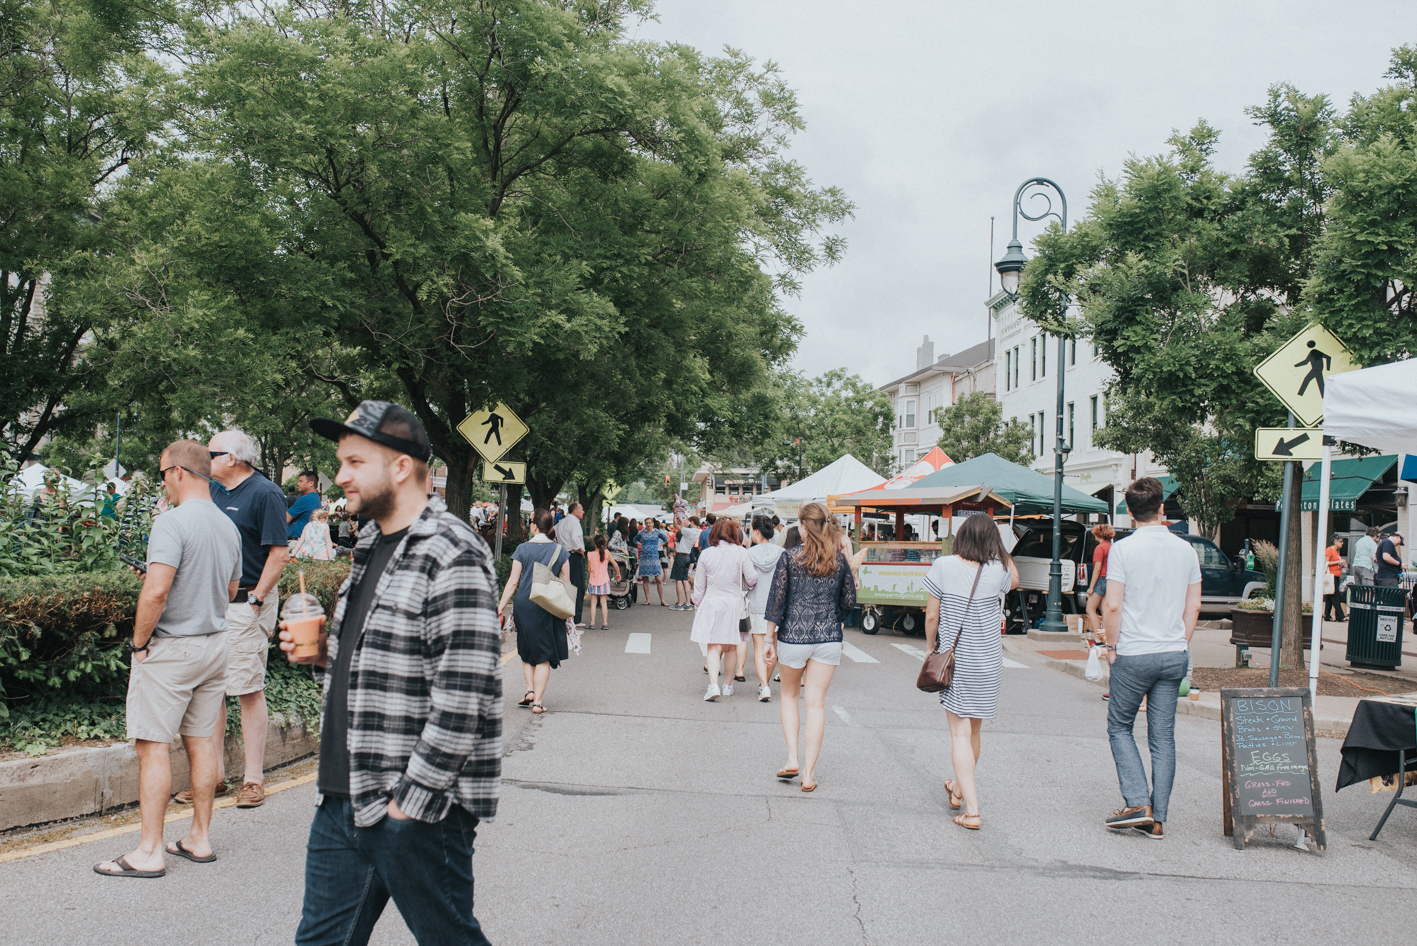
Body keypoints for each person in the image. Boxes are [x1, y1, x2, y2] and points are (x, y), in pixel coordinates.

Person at [276, 400, 499, 946]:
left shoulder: (453, 552)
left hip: (414, 804)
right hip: (344, 793)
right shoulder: (373, 542)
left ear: (400, 466)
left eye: (354, 462)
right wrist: (324, 655)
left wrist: (408, 807)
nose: (340, 475)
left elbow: (463, 696)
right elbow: (391, 662)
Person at [94, 441, 242, 879]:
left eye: (162, 473)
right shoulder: (227, 526)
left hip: (173, 649)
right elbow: (230, 591)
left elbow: (156, 592)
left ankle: (149, 851)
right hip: (216, 645)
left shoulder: (171, 522)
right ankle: (199, 838)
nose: (162, 482)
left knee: (153, 746)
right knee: (200, 741)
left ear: (178, 471)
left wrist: (139, 644)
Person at [1100, 477, 1202, 840]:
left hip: (1134, 652)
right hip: (1173, 652)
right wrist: (1180, 643)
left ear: (1129, 511)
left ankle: (1137, 801)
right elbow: (1194, 606)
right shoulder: (1186, 551)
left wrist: (1111, 648)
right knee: (1163, 738)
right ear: (1162, 509)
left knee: (1120, 726)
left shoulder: (1123, 550)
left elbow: (1113, 604)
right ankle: (1158, 818)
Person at [193, 429, 289, 808]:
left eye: (211, 452)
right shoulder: (212, 491)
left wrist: (256, 600)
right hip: (213, 603)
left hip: (247, 601)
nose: (205, 458)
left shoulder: (265, 493)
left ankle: (253, 779)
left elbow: (278, 554)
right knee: (212, 689)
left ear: (232, 458)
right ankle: (213, 776)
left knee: (247, 688)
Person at [923, 514, 1020, 831]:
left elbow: (932, 616)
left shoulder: (943, 566)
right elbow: (1016, 580)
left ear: (961, 536)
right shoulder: (999, 570)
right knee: (974, 731)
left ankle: (973, 810)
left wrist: (929, 649)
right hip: (990, 663)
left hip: (959, 660)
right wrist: (1002, 550)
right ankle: (958, 789)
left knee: (959, 733)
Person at [763, 502, 856, 792]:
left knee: (789, 696)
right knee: (816, 704)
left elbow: (776, 600)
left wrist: (768, 639)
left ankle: (792, 758)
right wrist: (835, 619)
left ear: (803, 526)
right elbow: (849, 600)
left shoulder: (789, 557)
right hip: (827, 638)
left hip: (793, 637)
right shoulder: (838, 560)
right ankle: (809, 774)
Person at [499, 508, 572, 715]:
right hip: (549, 606)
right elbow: (567, 582)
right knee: (544, 655)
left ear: (533, 526)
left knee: (526, 648)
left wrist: (501, 605)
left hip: (524, 604)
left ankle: (530, 690)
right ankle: (538, 702)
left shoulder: (522, 549)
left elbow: (513, 582)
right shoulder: (560, 551)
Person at [691, 518, 757, 701]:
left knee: (713, 645)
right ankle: (728, 686)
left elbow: (699, 586)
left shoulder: (705, 554)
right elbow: (751, 578)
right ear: (733, 533)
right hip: (734, 604)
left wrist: (696, 602)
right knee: (730, 647)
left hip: (712, 602)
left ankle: (713, 685)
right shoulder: (741, 552)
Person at [747, 515, 786, 701]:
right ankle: (766, 683)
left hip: (756, 603)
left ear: (756, 531)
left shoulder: (750, 554)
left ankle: (764, 686)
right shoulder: (781, 552)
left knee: (759, 646)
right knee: (773, 645)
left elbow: (747, 580)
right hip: (776, 606)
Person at [553, 501, 588, 627]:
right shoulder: (574, 522)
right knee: (578, 586)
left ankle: (564, 615)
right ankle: (576, 618)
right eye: (581, 509)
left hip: (562, 554)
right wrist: (579, 549)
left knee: (565, 585)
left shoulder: (561, 522)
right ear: (575, 511)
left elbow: (554, 533)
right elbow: (575, 538)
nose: (583, 512)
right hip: (574, 555)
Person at [1084, 524, 1115, 641]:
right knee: (1104, 610)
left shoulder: (1099, 548)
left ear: (1098, 534)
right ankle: (1107, 635)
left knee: (1090, 609)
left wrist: (1091, 587)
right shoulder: (1111, 546)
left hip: (1101, 580)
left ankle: (1098, 636)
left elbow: (1097, 569)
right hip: (1109, 580)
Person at [586, 534, 621, 631]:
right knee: (603, 603)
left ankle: (592, 623)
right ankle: (605, 623)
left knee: (593, 603)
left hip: (593, 581)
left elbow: (589, 569)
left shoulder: (590, 554)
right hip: (604, 581)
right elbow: (616, 564)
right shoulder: (606, 553)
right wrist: (618, 574)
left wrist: (591, 575)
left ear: (594, 543)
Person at [636, 518, 669, 606]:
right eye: (646, 523)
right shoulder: (642, 532)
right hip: (644, 557)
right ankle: (647, 599)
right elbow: (634, 539)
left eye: (649, 523)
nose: (648, 524)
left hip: (654, 556)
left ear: (653, 523)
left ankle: (662, 600)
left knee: (658, 579)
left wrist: (659, 545)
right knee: (645, 579)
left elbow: (666, 539)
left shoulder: (657, 532)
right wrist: (641, 545)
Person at [671, 517, 700, 610]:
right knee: (685, 580)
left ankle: (680, 604)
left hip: (681, 556)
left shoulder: (689, 531)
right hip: (687, 556)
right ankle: (687, 604)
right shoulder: (695, 531)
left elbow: (675, 526)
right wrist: (682, 522)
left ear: (691, 522)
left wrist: (675, 513)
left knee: (678, 580)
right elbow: (681, 526)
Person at [287, 470, 322, 545]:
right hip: (309, 542)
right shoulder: (316, 497)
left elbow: (285, 519)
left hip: (298, 543)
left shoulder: (305, 499)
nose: (298, 484)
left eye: (301, 481)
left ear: (311, 483)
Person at [1324, 536, 1348, 622]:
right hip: (1331, 575)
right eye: (1341, 541)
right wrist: (1339, 562)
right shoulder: (1329, 550)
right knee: (1335, 596)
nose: (1342, 543)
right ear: (1335, 541)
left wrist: (1342, 564)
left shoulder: (1336, 552)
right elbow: (1326, 562)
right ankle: (1340, 615)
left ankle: (1327, 615)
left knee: (1330, 597)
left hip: (1336, 575)